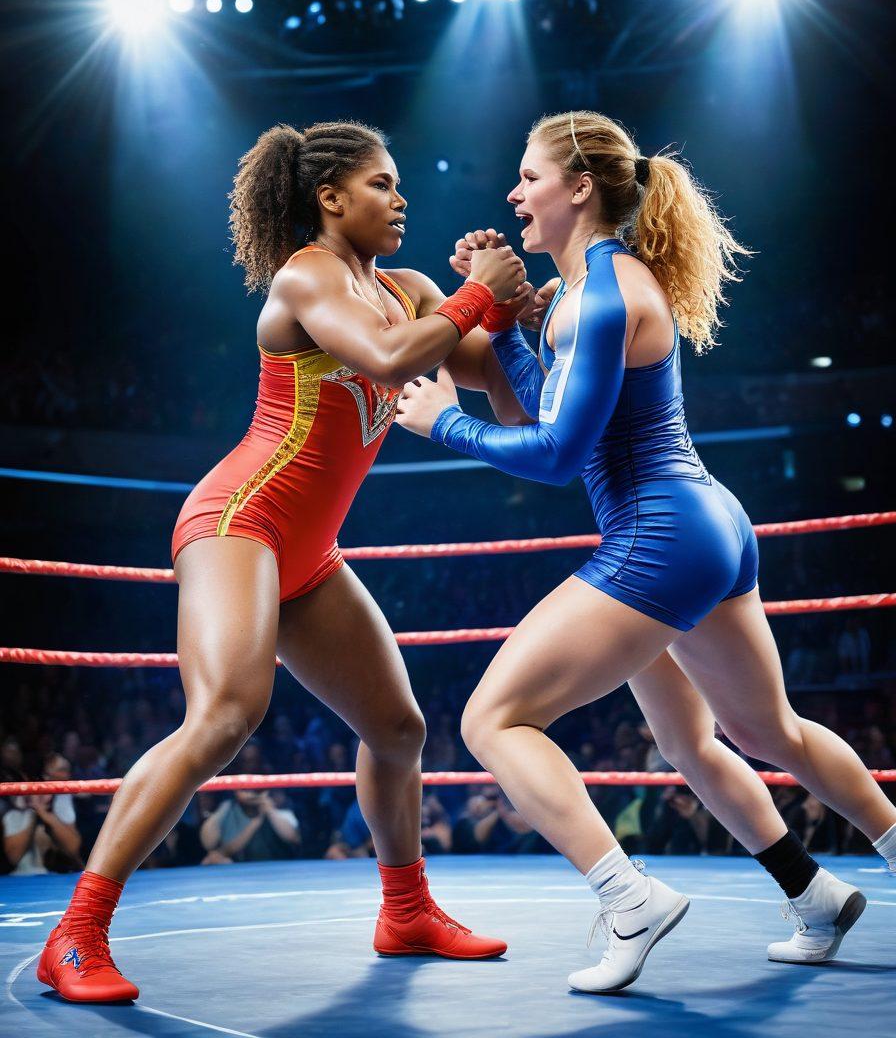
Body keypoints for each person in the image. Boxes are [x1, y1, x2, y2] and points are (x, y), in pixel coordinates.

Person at [396, 110, 896, 992]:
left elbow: (554, 453)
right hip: (703, 526)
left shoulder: (599, 295)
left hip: (657, 533)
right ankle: (814, 895)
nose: (513, 193)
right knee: (725, 736)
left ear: (580, 187)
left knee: (492, 719)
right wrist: (508, 321)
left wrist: (449, 424)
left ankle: (628, 899)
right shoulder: (598, 283)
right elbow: (555, 407)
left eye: (529, 176)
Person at [39, 119, 530, 1003]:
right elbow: (385, 358)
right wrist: (468, 301)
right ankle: (75, 935)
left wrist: (504, 307)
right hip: (238, 520)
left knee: (398, 728)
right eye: (381, 183)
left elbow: (494, 395)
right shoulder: (305, 277)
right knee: (225, 713)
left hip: (309, 552)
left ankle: (407, 910)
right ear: (330, 198)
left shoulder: (414, 289)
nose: (401, 196)